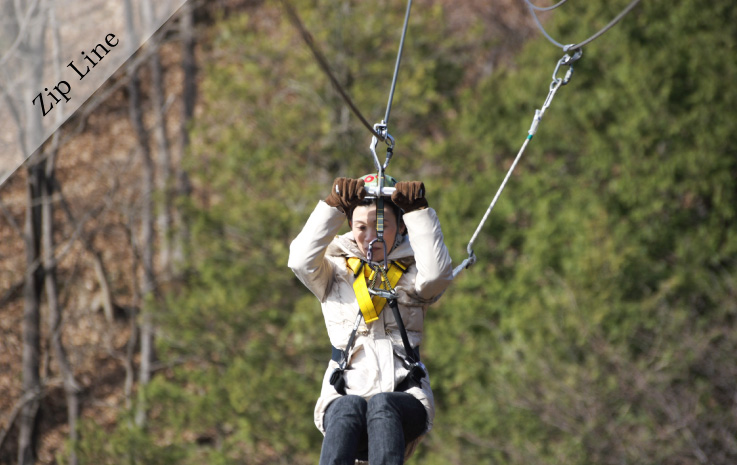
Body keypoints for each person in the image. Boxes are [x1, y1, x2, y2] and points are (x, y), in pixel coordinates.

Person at [288, 173, 454, 464]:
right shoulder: (335, 271)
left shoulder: (413, 272)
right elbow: (300, 261)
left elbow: (438, 275)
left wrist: (418, 213)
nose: (369, 237)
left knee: (383, 404)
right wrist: (334, 207)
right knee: (347, 407)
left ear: (399, 227)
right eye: (360, 227)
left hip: (404, 396)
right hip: (345, 393)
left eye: (380, 226)